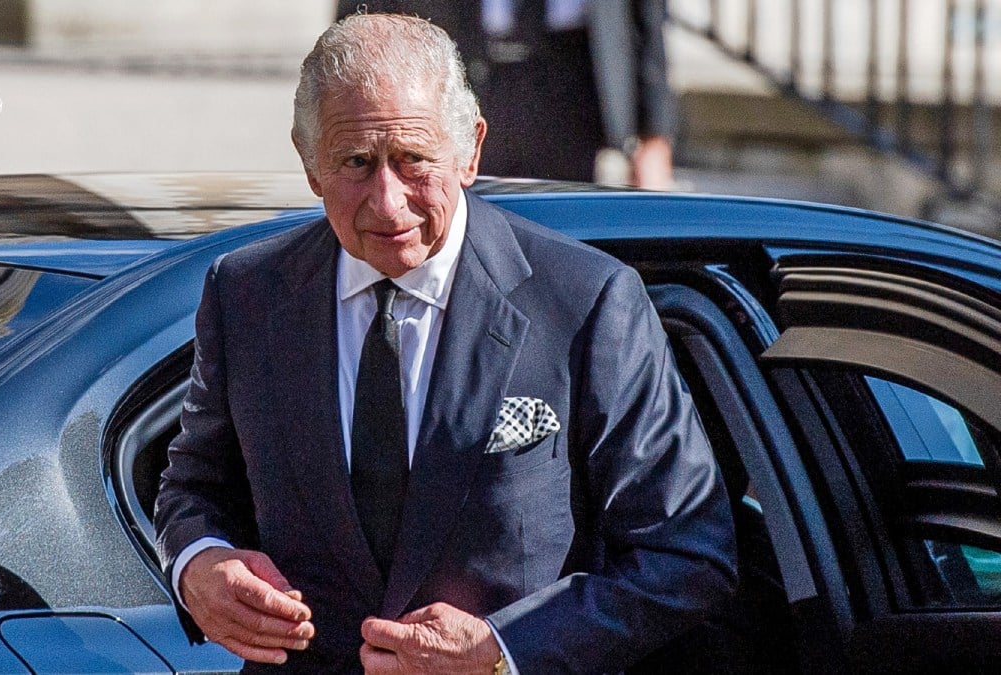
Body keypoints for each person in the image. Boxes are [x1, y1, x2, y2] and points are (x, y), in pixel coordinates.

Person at [155, 13, 734, 673]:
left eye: (412, 161)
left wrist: (504, 651)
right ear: (308, 162)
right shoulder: (247, 293)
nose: (388, 201)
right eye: (356, 163)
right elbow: (193, 486)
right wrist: (198, 566)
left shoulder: (586, 302)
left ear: (471, 150)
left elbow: (687, 554)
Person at [335, 1, 677, 188]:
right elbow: (359, 19)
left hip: (574, 76)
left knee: (565, 238)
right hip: (462, 68)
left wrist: (654, 135)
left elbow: (647, 16)